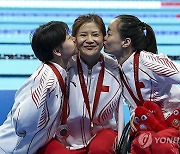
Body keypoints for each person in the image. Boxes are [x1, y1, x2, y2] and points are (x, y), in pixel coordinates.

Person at [39, 14, 124, 154]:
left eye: (95, 34)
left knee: (100, 149)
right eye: (83, 35)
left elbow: (120, 109)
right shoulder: (64, 66)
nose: (90, 40)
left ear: (104, 38)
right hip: (64, 136)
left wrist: (121, 142)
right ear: (74, 39)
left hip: (102, 133)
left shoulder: (114, 69)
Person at [104, 14, 180, 152]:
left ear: (126, 42)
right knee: (140, 144)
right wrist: (134, 114)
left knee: (160, 144)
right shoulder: (117, 67)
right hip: (151, 124)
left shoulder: (148, 61)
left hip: (174, 121)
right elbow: (134, 103)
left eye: (109, 33)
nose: (104, 38)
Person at [0, 21, 77, 154]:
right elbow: (22, 121)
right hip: (9, 149)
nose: (74, 38)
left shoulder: (58, 72)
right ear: (57, 51)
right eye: (69, 37)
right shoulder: (46, 78)